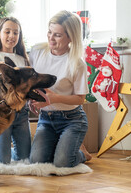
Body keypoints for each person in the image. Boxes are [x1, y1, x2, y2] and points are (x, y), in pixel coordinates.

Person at [28, 10, 92, 167]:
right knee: (37, 161)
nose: (51, 37)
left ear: (70, 37)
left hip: (72, 120)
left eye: (57, 35)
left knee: (63, 162)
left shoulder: (77, 63)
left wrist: (54, 98)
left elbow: (80, 99)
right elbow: (30, 82)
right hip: (46, 119)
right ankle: (62, 145)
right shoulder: (37, 52)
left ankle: (82, 153)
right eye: (50, 32)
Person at [0, 17, 31, 164]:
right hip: (3, 113)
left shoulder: (23, 60)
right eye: (7, 32)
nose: (11, 36)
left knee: (24, 158)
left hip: (22, 113)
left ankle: (4, 151)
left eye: (15, 33)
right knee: (2, 161)